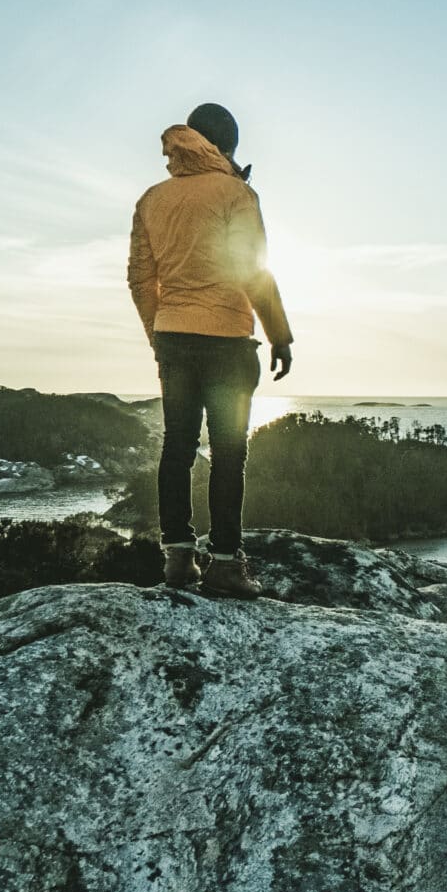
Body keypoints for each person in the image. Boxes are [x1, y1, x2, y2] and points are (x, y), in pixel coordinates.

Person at [127, 102, 294, 596]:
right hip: (226, 341)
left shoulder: (152, 198)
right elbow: (252, 270)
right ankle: (224, 564)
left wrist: (158, 332)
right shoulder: (237, 193)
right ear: (227, 148)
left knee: (177, 447)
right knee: (228, 453)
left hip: (174, 336)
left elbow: (140, 278)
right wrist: (279, 333)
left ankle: (177, 560)